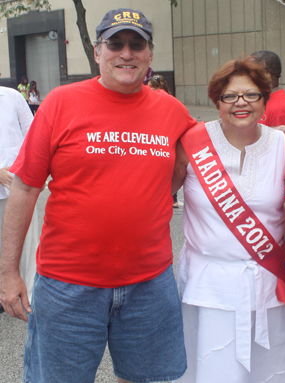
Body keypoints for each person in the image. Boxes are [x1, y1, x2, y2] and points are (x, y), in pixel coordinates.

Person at [0, 8, 196, 383]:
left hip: (149, 285)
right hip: (67, 285)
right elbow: (25, 187)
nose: (126, 53)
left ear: (150, 54)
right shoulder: (60, 103)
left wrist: (279, 135)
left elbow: (198, 155)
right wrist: (8, 272)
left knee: (147, 379)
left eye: (136, 44)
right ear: (97, 51)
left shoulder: (171, 110)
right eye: (115, 43)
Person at [172, 57, 285, 383]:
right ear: (217, 100)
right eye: (230, 96)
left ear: (264, 99)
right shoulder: (191, 145)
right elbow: (157, 199)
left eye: (251, 95)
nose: (240, 103)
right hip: (207, 287)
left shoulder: (284, 145)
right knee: (213, 370)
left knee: (272, 372)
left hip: (268, 284)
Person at [0, 86, 38, 314]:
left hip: (19, 186)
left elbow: (33, 137)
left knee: (29, 244)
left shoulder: (12, 97)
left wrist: (34, 174)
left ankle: (32, 297)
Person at [148, 74, 179, 208]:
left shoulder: (169, 103)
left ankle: (173, 197)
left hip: (166, 140)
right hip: (154, 141)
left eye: (153, 88)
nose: (149, 91)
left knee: (168, 170)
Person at [251, 50, 285, 128]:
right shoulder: (269, 100)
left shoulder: (279, 108)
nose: (245, 76)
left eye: (249, 71)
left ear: (265, 74)